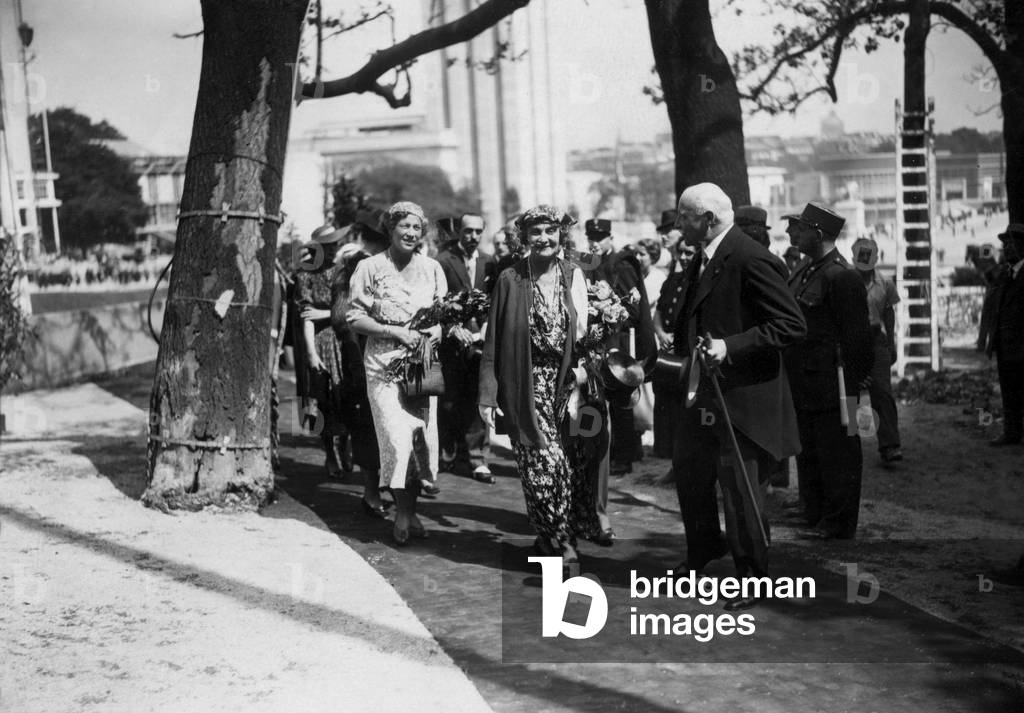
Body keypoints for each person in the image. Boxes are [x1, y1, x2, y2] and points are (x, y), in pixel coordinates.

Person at [671, 184, 806, 609]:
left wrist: (730, 346)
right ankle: (704, 551)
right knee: (690, 473)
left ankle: (752, 577)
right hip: (705, 394)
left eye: (684, 217)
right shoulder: (705, 255)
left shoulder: (752, 257)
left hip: (743, 402)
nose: (678, 225)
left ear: (708, 219)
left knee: (740, 489)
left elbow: (790, 325)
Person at [478, 205, 600, 564]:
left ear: (561, 234)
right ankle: (563, 544)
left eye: (550, 231)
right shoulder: (510, 279)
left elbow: (585, 334)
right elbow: (493, 342)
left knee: (568, 466)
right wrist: (488, 394)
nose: (544, 238)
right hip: (524, 387)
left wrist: (586, 370)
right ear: (525, 238)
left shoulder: (573, 275)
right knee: (545, 466)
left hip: (565, 387)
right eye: (536, 232)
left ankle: (549, 535)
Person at [346, 202, 448, 544]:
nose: (411, 233)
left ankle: (409, 510)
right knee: (395, 438)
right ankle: (403, 512)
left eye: (417, 228)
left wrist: (436, 332)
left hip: (421, 367)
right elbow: (354, 317)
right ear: (390, 229)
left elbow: (443, 315)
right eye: (404, 226)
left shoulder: (432, 268)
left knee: (419, 438)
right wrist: (395, 332)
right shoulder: (369, 267)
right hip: (383, 367)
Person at [784, 203, 874, 540]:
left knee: (841, 454)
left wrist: (852, 385)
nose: (792, 234)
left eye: (799, 228)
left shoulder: (842, 276)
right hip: (807, 381)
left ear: (818, 234)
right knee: (810, 450)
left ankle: (839, 522)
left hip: (838, 384)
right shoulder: (807, 271)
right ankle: (816, 512)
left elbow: (859, 338)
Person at [583, 218, 657, 477]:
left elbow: (633, 309)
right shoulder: (588, 262)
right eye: (590, 237)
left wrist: (608, 309)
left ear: (609, 237)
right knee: (592, 397)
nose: (594, 242)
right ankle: (596, 450)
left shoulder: (622, 263)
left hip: (618, 340)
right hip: (595, 340)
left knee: (620, 399)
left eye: (599, 237)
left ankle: (624, 456)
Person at [331, 208, 392, 517]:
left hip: (388, 359)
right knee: (369, 426)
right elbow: (344, 320)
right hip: (363, 360)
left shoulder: (394, 265)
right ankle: (371, 491)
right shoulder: (358, 266)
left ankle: (383, 488)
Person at [436, 213, 499, 484]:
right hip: (451, 341)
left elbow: (496, 300)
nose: (473, 237)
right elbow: (434, 302)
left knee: (478, 399)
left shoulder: (489, 262)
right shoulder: (442, 261)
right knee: (449, 400)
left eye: (477, 231)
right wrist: (451, 328)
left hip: (481, 342)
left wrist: (487, 329)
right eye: (467, 231)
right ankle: (447, 449)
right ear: (458, 232)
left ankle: (477, 458)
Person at [293, 222, 351, 478]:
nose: (331, 250)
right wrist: (311, 353)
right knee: (324, 398)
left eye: (334, 245)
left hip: (345, 338)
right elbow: (307, 316)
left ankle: (346, 446)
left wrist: (325, 313)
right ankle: (330, 453)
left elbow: (351, 310)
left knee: (348, 395)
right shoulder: (305, 275)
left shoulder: (343, 272)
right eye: (326, 246)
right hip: (322, 341)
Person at [851, 237, 903, 463]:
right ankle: (848, 448)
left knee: (882, 392)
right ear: (855, 256)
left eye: (868, 255)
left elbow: (889, 314)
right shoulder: (845, 280)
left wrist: (891, 344)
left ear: (876, 257)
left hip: (876, 340)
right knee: (849, 396)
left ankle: (890, 445)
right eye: (860, 255)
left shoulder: (885, 283)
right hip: (851, 341)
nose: (864, 259)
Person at [652, 237, 696, 463]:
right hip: (667, 350)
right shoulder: (672, 280)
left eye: (690, 252)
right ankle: (665, 454)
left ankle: (680, 460)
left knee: (682, 407)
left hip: (686, 353)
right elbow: (659, 311)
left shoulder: (698, 281)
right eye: (682, 253)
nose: (685, 258)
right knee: (663, 402)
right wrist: (660, 333)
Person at [986, 223, 1024, 446]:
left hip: (1021, 345)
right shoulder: (1006, 275)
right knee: (1009, 390)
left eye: (1012, 243)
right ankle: (1012, 433)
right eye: (1005, 244)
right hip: (1006, 345)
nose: (1008, 248)